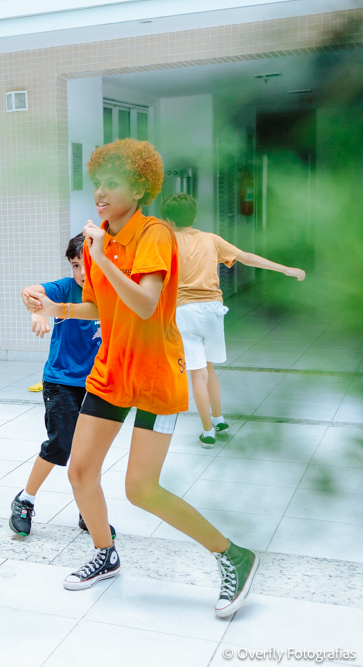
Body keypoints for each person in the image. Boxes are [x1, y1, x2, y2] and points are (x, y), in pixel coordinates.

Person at [28, 139, 258, 618]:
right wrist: (59, 308)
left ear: (140, 185)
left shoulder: (153, 234)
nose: (101, 192)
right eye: (97, 183)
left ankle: (231, 554)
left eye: (112, 182)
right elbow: (99, 304)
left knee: (141, 489)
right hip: (111, 369)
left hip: (156, 372)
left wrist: (103, 254)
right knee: (80, 471)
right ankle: (104, 552)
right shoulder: (97, 243)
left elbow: (146, 303)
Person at [161, 193, 306, 447]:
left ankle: (207, 432)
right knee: (209, 369)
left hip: (184, 312)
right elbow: (246, 257)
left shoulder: (166, 242)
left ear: (167, 219)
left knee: (197, 375)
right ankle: (219, 419)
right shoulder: (211, 240)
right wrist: (285, 269)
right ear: (194, 216)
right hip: (213, 311)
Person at [9, 233, 109, 538]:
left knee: (90, 452)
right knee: (60, 445)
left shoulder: (109, 293)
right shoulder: (66, 288)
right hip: (61, 381)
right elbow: (31, 292)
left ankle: (88, 508)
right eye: (76, 265)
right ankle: (25, 500)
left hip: (97, 383)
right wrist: (38, 309)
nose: (80, 273)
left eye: (87, 265)